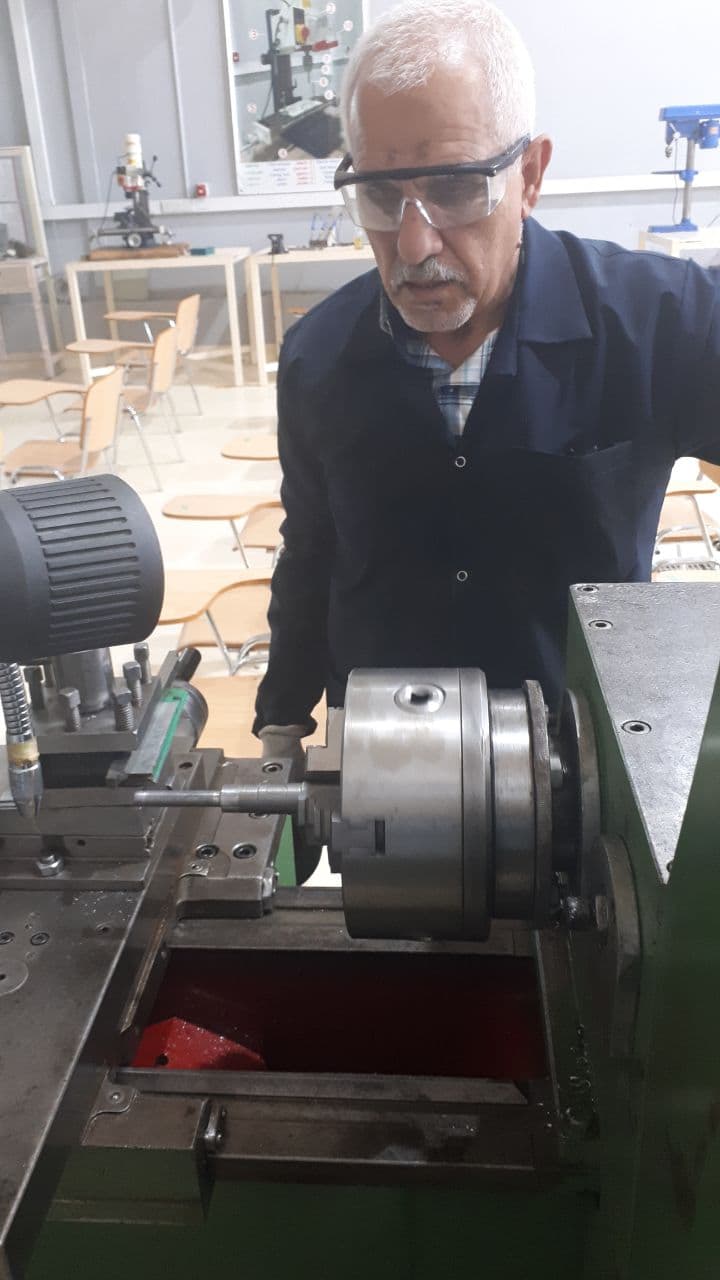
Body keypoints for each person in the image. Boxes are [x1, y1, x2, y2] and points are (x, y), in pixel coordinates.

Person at [254, 0, 720, 761]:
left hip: (585, 770)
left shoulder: (663, 325)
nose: (414, 242)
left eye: (455, 187)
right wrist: (281, 720)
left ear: (529, 176)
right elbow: (311, 550)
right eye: (380, 195)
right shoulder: (319, 358)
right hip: (382, 771)